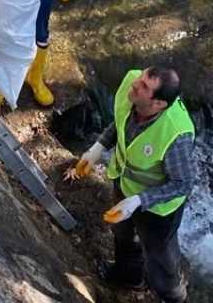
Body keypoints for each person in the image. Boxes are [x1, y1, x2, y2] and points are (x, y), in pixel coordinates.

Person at [67, 68, 195, 303]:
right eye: (141, 78)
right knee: (123, 234)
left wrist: (138, 201)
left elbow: (183, 184)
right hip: (124, 184)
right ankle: (128, 276)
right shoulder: (132, 86)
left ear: (158, 104)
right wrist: (97, 148)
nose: (136, 84)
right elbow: (121, 120)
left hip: (157, 208)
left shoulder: (176, 134)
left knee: (161, 259)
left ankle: (174, 297)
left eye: (144, 86)